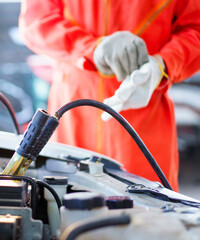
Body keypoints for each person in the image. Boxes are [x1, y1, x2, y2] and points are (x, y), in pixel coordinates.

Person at [19, 0, 200, 191]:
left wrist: (163, 64)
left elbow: (195, 28)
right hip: (73, 116)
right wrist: (90, 48)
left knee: (149, 212)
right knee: (63, 209)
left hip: (143, 119)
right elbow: (37, 21)